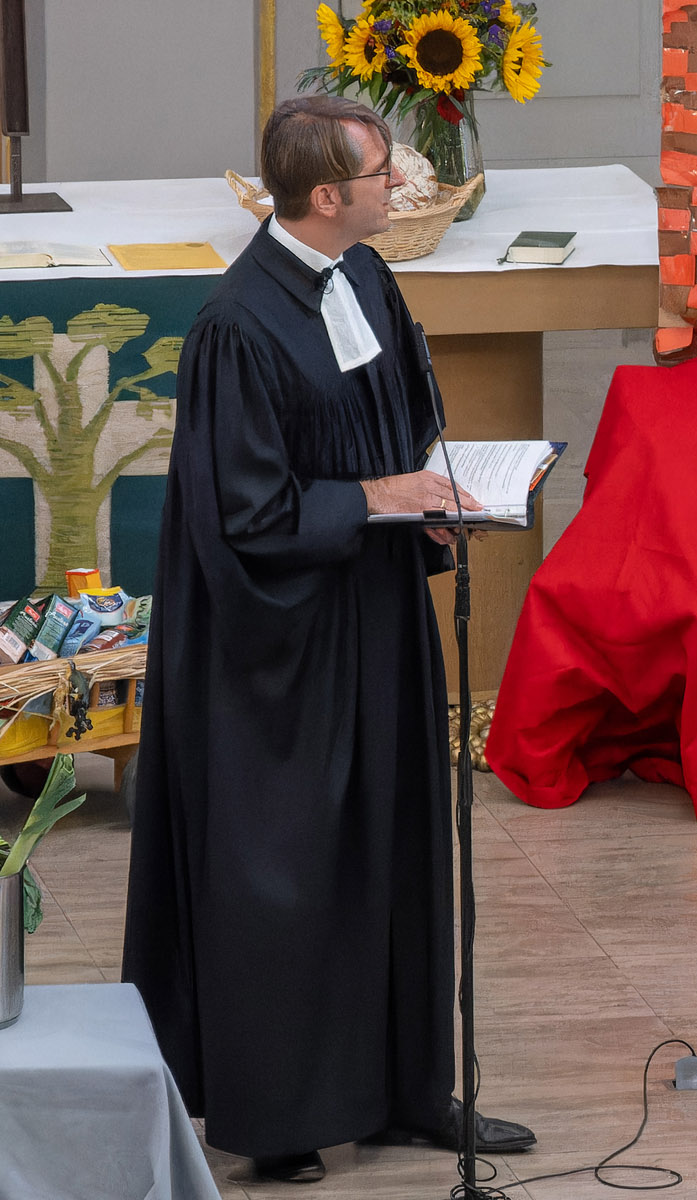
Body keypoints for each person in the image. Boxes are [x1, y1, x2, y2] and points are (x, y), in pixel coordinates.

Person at [122, 95, 534, 1184]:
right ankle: (281, 1116)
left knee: (395, 850)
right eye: (380, 174)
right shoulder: (236, 326)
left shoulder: (364, 276)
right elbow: (244, 514)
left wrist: (437, 494)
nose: (399, 186)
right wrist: (379, 497)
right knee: (292, 877)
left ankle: (404, 1090)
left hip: (375, 614)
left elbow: (397, 425)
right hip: (282, 648)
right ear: (323, 196)